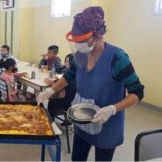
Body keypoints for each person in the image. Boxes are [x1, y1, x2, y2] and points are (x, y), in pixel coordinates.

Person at [38, 6, 144, 161]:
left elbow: (137, 92)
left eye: (82, 41)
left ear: (97, 36)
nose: (78, 46)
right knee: (77, 158)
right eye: (76, 42)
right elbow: (68, 77)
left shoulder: (117, 58)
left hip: (107, 122)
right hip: (82, 119)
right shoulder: (81, 56)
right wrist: (51, 91)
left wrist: (113, 109)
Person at [44, 54, 76, 119]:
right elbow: (57, 69)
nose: (65, 63)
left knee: (51, 102)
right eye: (65, 61)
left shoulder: (69, 76)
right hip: (74, 102)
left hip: (67, 103)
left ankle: (50, 121)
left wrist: (46, 80)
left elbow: (52, 82)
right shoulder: (76, 73)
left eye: (67, 61)